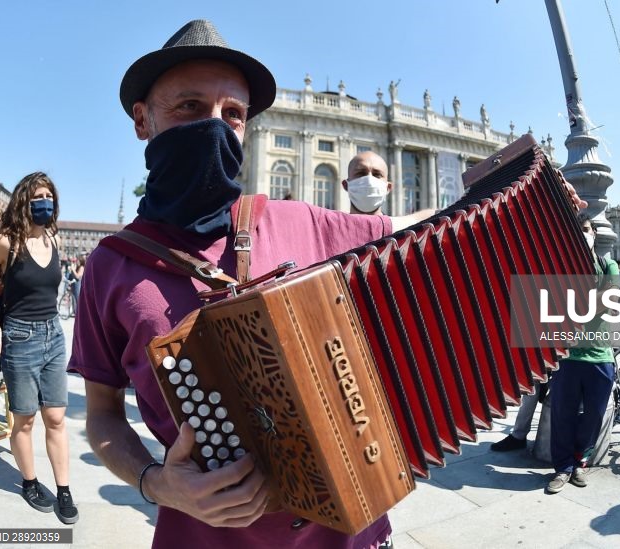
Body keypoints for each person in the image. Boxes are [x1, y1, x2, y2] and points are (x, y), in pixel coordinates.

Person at [66, 20, 440, 549]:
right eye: (190, 108)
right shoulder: (110, 266)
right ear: (142, 120)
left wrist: (514, 188)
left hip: (352, 534)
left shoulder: (303, 221)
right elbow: (103, 417)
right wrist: (157, 484)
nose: (215, 127)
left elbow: (422, 228)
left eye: (233, 114)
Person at [0, 172, 78, 524]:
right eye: (38, 196)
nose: (45, 202)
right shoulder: (6, 242)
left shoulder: (53, 239)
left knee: (56, 417)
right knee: (24, 420)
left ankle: (64, 489)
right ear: (24, 200)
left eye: (49, 196)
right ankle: (30, 481)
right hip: (19, 336)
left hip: (53, 334)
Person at [546, 214, 619, 494]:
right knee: (562, 416)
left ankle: (580, 463)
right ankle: (562, 468)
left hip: (600, 356)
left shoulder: (607, 264)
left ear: (594, 233)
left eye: (587, 229)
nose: (584, 234)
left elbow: (611, 300)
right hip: (568, 356)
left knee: (593, 416)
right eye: (578, 230)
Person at [341, 151, 393, 215]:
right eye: (361, 173)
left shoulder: (397, 225)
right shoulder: (331, 225)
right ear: (346, 185)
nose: (369, 181)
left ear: (388, 188)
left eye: (377, 174)